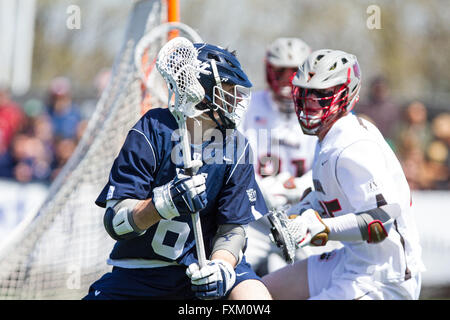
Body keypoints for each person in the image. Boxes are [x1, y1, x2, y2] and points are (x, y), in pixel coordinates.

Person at [83, 43, 272, 300]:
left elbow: (233, 230)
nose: (236, 99)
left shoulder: (236, 146)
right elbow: (115, 223)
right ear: (200, 91)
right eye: (227, 90)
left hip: (204, 268)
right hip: (142, 272)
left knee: (254, 298)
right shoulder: (152, 129)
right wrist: (163, 204)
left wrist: (222, 268)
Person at [262, 49, 425, 300]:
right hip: (351, 259)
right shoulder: (330, 136)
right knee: (254, 292)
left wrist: (319, 228)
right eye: (305, 92)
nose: (311, 102)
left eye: (323, 94)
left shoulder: (353, 146)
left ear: (347, 95)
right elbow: (332, 197)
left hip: (384, 277)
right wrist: (301, 211)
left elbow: (380, 221)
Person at [239, 38, 323, 275]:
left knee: (320, 276)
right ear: (269, 71)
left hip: (304, 213)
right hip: (256, 218)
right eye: (281, 71)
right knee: (231, 271)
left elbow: (329, 162)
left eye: (295, 71)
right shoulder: (247, 106)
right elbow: (231, 157)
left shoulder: (321, 108)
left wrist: (302, 187)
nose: (288, 79)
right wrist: (257, 188)